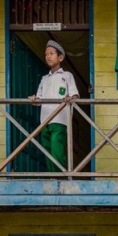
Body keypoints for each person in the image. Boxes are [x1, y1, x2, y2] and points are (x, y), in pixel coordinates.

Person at [29, 40, 79, 172]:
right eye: (46, 54)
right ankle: (52, 176)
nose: (48, 56)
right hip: (45, 119)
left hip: (60, 119)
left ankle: (61, 176)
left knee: (57, 147)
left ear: (60, 57)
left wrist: (70, 98)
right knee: (47, 149)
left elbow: (74, 95)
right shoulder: (44, 79)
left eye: (51, 53)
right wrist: (34, 99)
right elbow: (38, 99)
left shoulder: (67, 76)